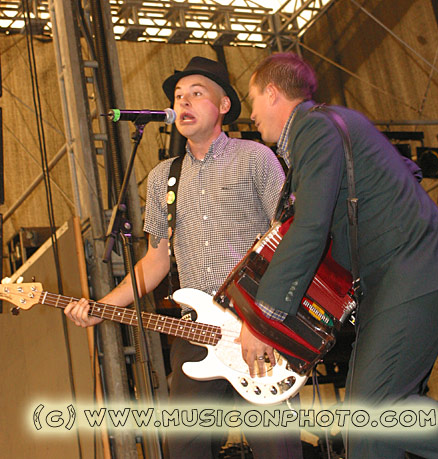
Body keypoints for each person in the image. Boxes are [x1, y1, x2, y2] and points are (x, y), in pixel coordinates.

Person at [65, 56, 303, 459]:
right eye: (179, 96)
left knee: (275, 449)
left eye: (197, 93)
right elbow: (155, 261)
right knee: (183, 448)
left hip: (256, 326)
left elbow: (289, 235)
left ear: (224, 105)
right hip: (196, 335)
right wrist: (101, 307)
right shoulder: (163, 177)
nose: (184, 102)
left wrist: (267, 317)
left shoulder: (256, 158)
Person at [239, 51, 438, 459]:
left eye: (252, 100)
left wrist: (263, 317)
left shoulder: (314, 127)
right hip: (397, 278)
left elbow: (310, 228)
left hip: (412, 271)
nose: (251, 115)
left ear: (272, 93)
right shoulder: (328, 127)